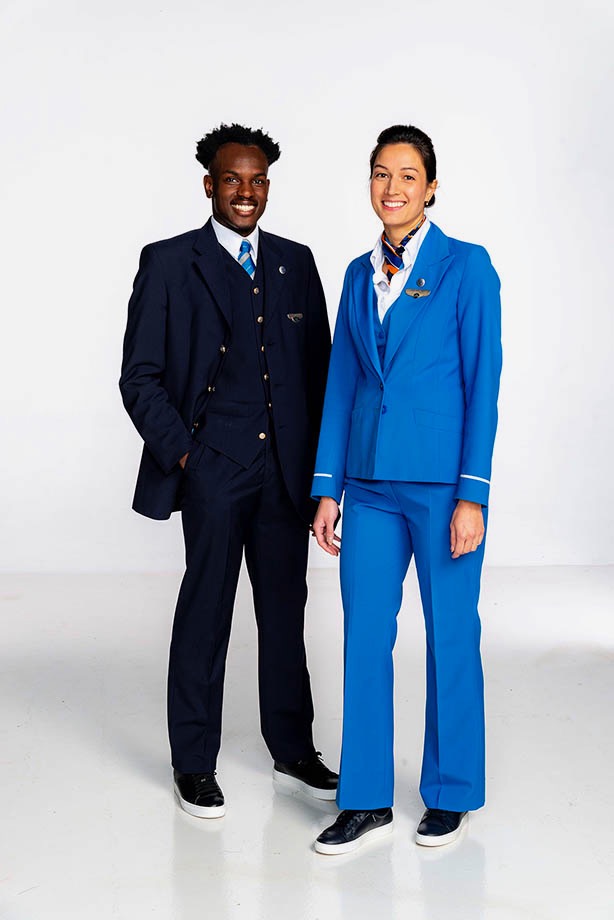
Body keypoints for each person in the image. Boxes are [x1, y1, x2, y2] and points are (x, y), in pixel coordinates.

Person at [119, 123, 337, 818]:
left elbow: (321, 375)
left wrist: (323, 477)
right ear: (209, 184)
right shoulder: (168, 263)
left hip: (283, 475)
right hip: (213, 470)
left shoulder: (296, 263)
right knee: (206, 611)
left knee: (285, 613)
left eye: (258, 180)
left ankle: (293, 752)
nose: (247, 192)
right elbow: (140, 378)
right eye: (233, 180)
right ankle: (192, 762)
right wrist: (187, 454)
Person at [311, 124, 502, 854]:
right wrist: (328, 487)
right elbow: (344, 382)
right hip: (368, 484)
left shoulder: (467, 267)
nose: (392, 188)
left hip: (441, 486)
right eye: (381, 174)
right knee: (365, 634)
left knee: (452, 632)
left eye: (408, 175)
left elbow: (483, 386)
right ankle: (364, 800)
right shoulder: (359, 275)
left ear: (430, 187)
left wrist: (473, 494)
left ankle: (450, 791)